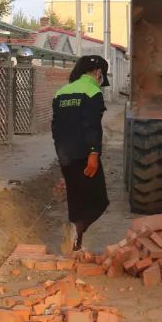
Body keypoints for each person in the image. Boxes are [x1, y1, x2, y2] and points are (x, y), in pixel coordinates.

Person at [52, 55, 111, 254]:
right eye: (101, 76)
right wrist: (94, 153)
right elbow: (91, 126)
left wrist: (61, 156)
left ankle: (74, 245)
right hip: (85, 155)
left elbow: (56, 128)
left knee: (76, 199)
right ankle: (75, 230)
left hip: (65, 154)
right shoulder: (93, 91)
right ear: (98, 73)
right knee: (99, 201)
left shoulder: (61, 92)